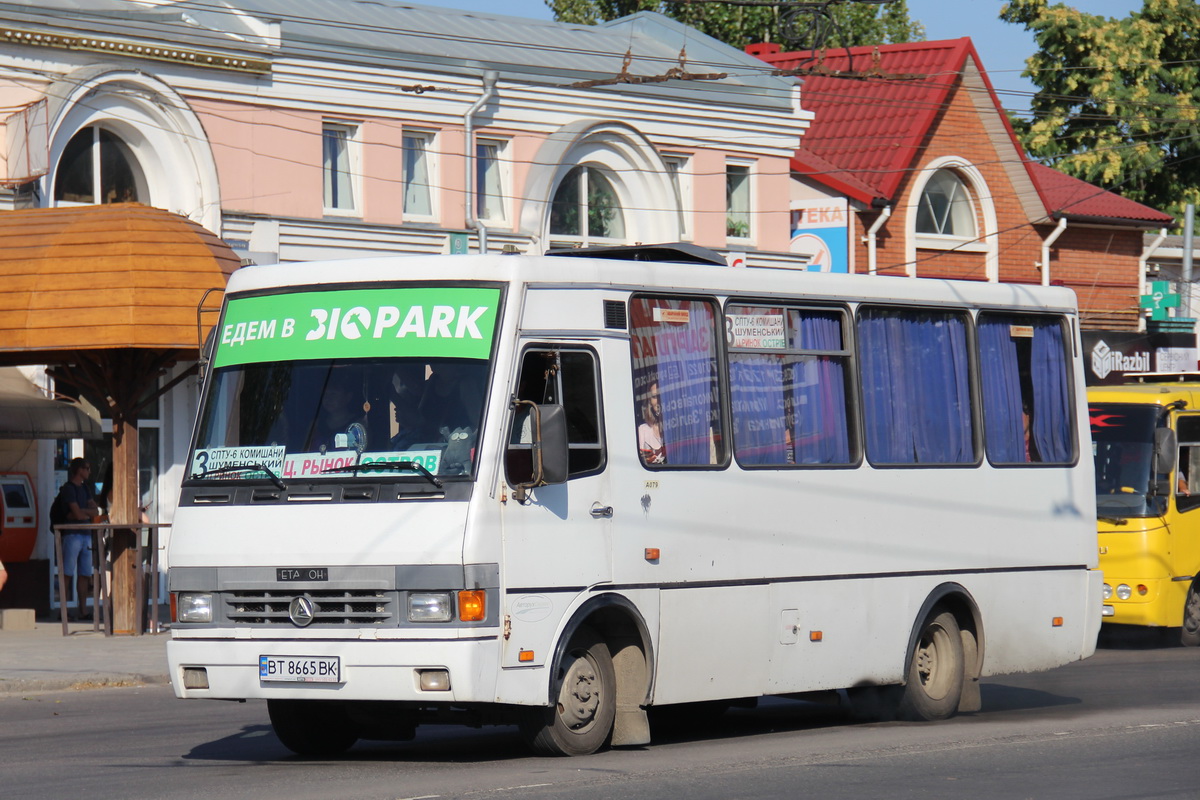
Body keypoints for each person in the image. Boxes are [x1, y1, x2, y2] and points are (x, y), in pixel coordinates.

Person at [57, 457, 98, 621]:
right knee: (67, 573)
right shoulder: (68, 489)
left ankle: (83, 610)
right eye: (87, 468)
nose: (89, 471)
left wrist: (83, 511)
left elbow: (94, 511)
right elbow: (78, 515)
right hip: (72, 534)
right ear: (79, 470)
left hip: (86, 534)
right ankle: (63, 611)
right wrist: (83, 512)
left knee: (85, 574)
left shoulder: (85, 488)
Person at [638, 381, 666, 465]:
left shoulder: (677, 429)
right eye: (654, 397)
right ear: (649, 401)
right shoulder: (642, 430)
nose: (659, 400)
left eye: (662, 396)